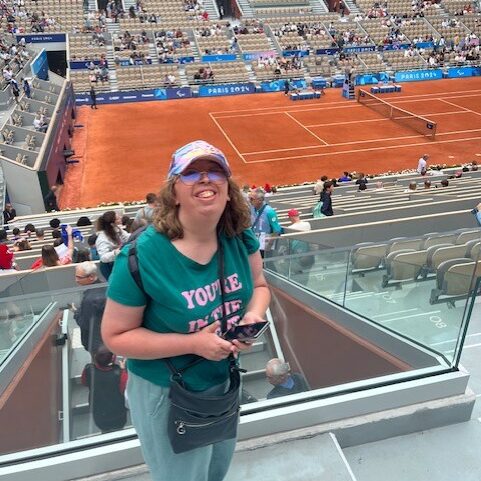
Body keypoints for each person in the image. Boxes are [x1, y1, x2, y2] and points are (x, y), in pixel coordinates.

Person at [101, 140, 270, 481]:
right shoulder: (142, 255)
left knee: (215, 471)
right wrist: (193, 343)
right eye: (191, 173)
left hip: (222, 381)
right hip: (166, 392)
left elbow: (261, 287)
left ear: (228, 190)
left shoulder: (239, 237)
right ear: (174, 192)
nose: (205, 179)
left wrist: (253, 315)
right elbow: (116, 337)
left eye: (215, 171)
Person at [81, 345, 128, 433]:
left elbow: (84, 382)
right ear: (113, 359)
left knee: (104, 431)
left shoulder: (88, 369)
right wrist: (123, 370)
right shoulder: (120, 374)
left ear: (95, 357)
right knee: (119, 433)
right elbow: (125, 390)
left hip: (99, 414)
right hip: (118, 414)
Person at [73, 262, 107, 354]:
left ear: (91, 277)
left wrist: (76, 312)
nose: (76, 280)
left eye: (79, 277)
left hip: (95, 343)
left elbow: (85, 324)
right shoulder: (104, 285)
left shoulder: (90, 299)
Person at [95, 211, 130, 280]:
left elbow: (127, 237)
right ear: (112, 224)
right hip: (109, 267)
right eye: (117, 218)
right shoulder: (102, 239)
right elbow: (103, 257)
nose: (120, 218)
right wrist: (115, 252)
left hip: (118, 263)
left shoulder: (117, 230)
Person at [249, 189, 283, 258]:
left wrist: (269, 245)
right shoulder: (252, 209)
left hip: (265, 244)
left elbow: (277, 230)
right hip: (255, 242)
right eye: (249, 198)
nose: (250, 201)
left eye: (252, 199)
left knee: (266, 264)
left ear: (260, 200)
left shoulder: (269, 211)